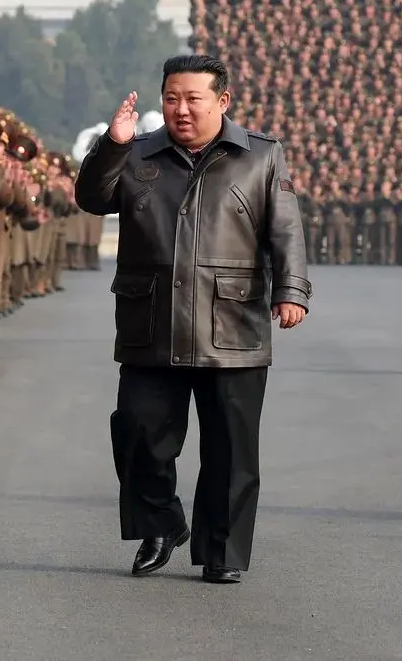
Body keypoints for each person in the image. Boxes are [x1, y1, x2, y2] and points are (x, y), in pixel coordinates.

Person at [74, 53, 310, 585]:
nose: (180, 109)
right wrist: (112, 144)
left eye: (192, 99)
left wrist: (291, 290)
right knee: (138, 430)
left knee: (231, 448)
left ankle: (222, 551)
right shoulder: (136, 153)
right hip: (152, 319)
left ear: (222, 101)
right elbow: (91, 198)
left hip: (233, 321)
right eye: (171, 98)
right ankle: (160, 524)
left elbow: (286, 229)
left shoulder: (260, 155)